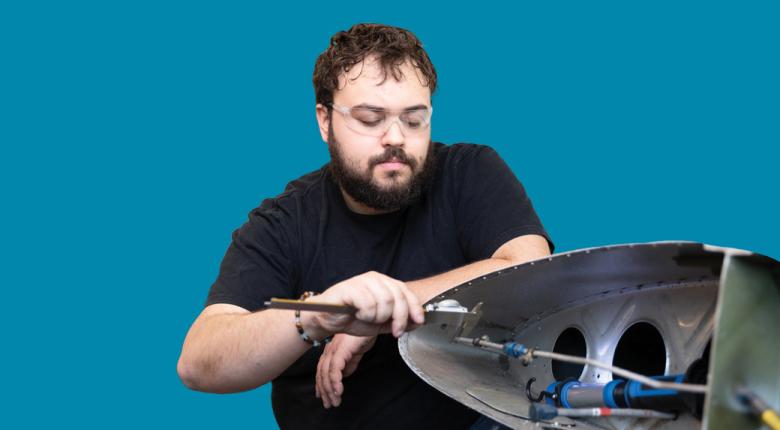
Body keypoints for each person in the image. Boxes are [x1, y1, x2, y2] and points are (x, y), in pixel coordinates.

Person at [177, 23, 553, 429]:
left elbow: (533, 272)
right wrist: (320, 316)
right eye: (371, 119)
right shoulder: (284, 223)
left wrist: (383, 310)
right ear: (324, 121)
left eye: (414, 120)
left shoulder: (469, 172)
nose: (395, 138)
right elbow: (199, 363)